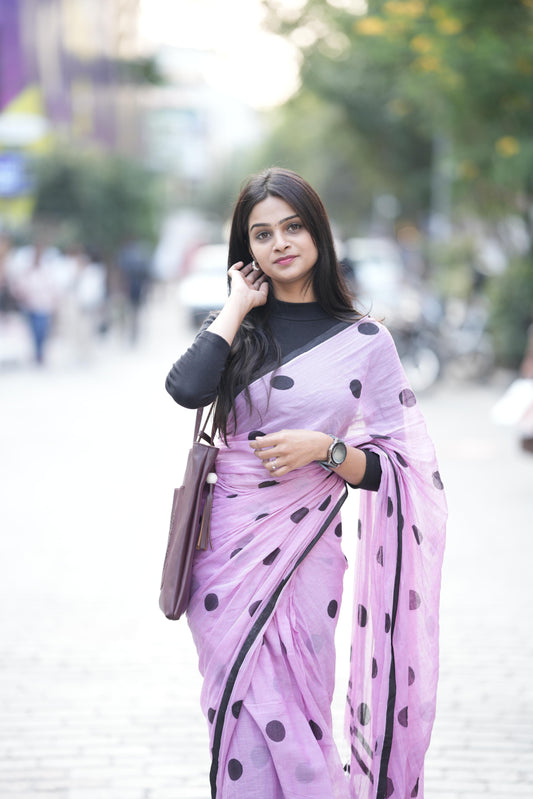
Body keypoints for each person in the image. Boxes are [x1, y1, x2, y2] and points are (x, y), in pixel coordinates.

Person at [165, 168, 447, 799]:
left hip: (309, 550)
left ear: (318, 232)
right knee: (237, 709)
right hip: (228, 556)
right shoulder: (239, 330)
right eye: (261, 234)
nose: (280, 242)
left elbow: (399, 467)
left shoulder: (366, 341)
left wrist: (328, 449)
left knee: (302, 709)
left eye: (292, 226)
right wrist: (237, 304)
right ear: (247, 250)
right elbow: (186, 390)